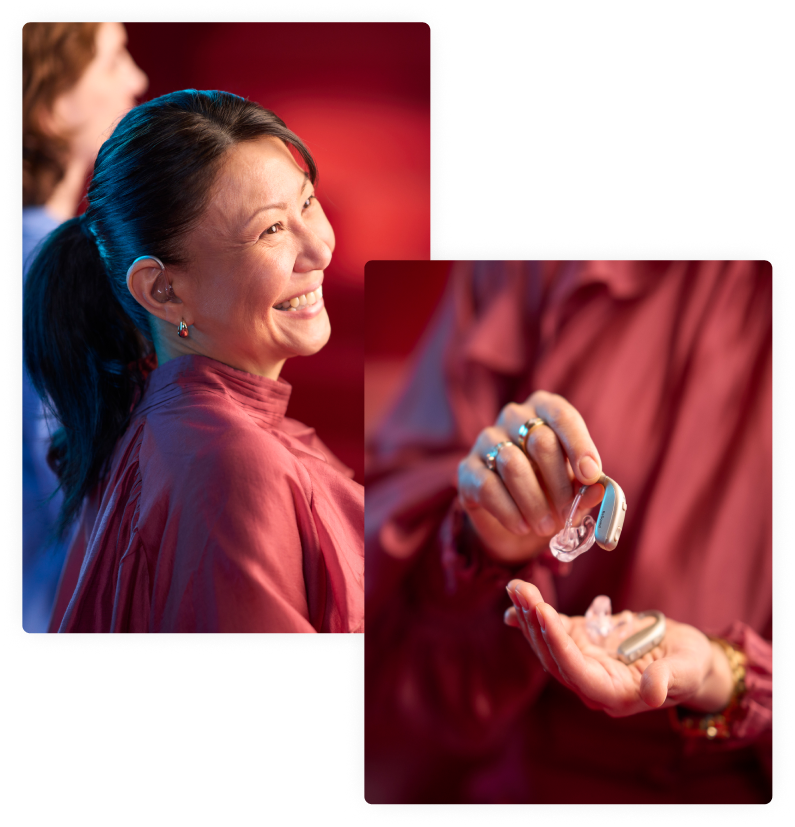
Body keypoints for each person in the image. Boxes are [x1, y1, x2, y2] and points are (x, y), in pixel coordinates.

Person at [364, 259, 773, 804]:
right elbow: (381, 564)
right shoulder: (532, 266)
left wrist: (728, 673)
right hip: (517, 778)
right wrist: (483, 542)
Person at [24, 89, 364, 634]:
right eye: (270, 230)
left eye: (306, 203)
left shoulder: (164, 426)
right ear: (163, 290)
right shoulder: (231, 464)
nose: (321, 250)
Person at [22, 22, 148, 632]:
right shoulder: (51, 268)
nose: (138, 80)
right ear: (48, 106)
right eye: (113, 60)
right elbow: (69, 476)